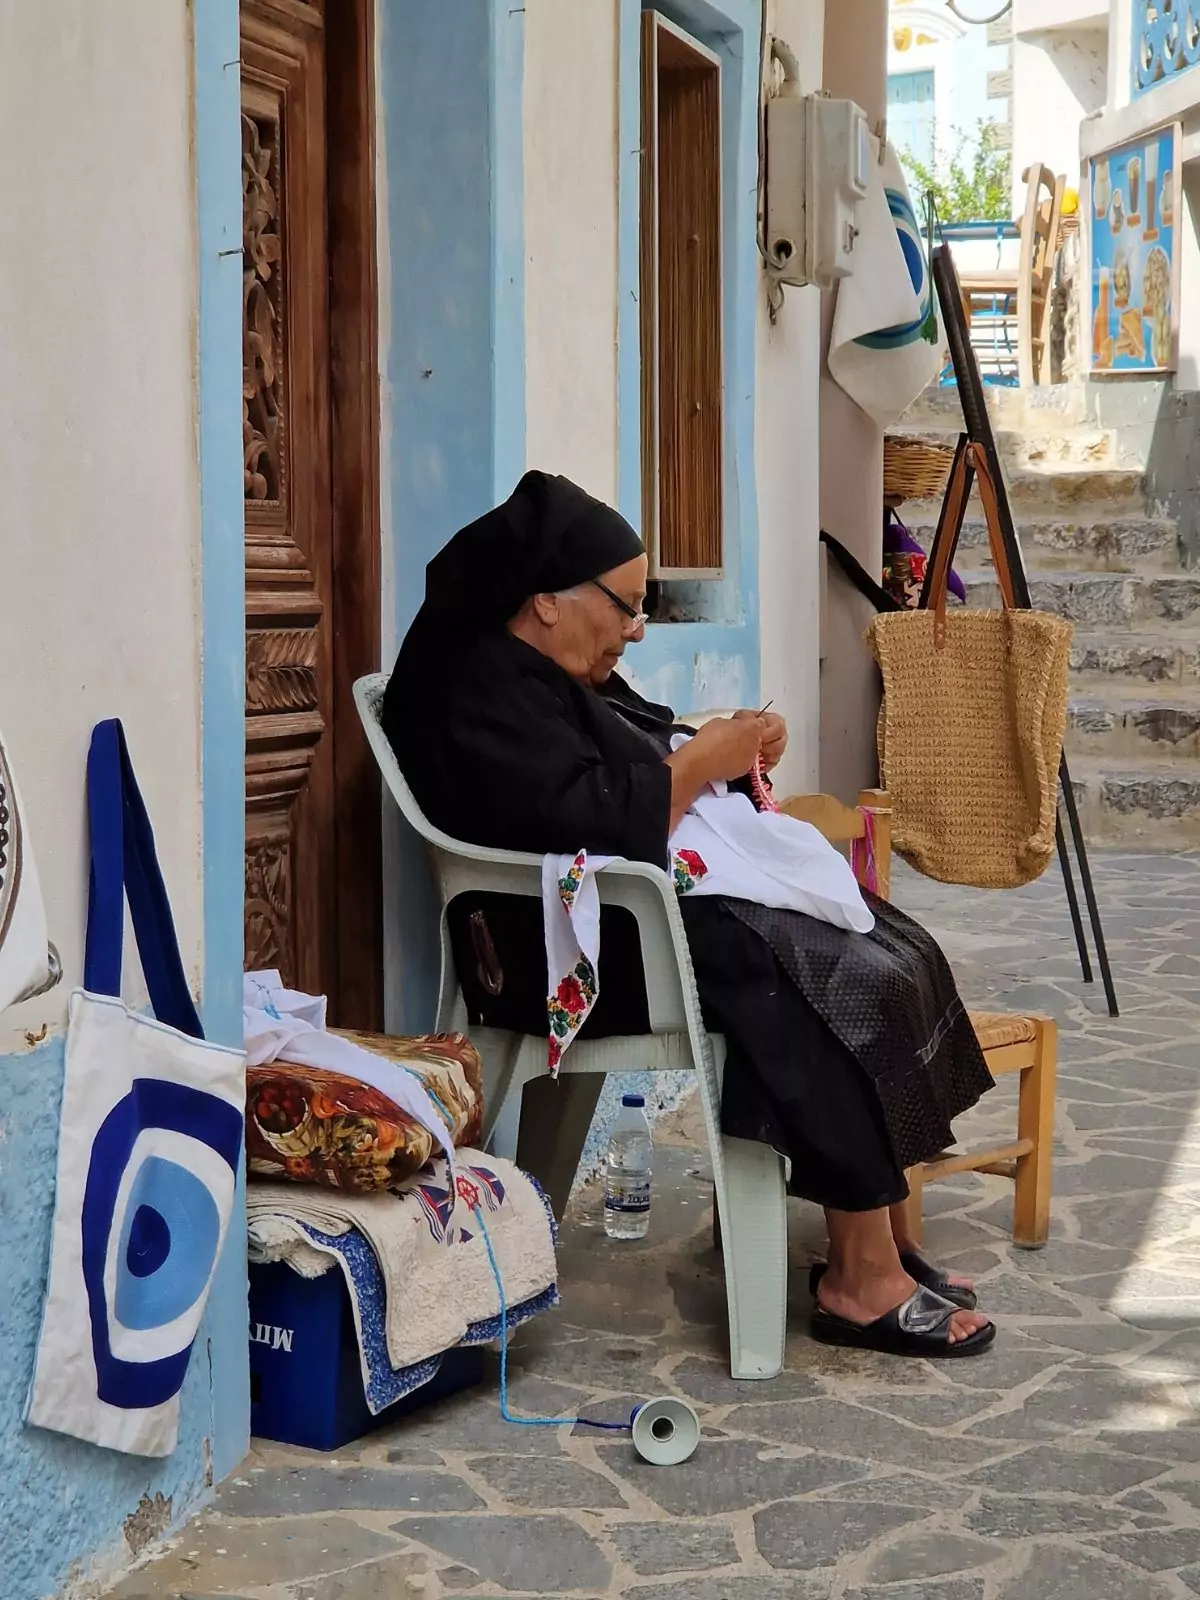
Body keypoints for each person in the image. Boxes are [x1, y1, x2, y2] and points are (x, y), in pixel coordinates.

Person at [384, 472, 996, 1359]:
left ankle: (883, 1236)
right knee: (799, 969)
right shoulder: (479, 685)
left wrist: (721, 744)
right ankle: (861, 1282)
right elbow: (590, 816)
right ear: (550, 601)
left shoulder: (549, 670)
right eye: (626, 607)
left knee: (870, 934)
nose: (636, 629)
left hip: (623, 917)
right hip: (561, 945)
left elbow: (635, 757)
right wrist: (703, 756)